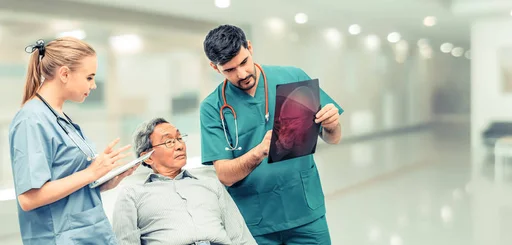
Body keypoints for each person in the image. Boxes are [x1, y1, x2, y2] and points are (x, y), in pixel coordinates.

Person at [200, 24, 344, 244]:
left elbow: (333, 138)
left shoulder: (292, 77)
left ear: (249, 47)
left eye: (243, 62)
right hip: (254, 222)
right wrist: (258, 153)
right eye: (229, 70)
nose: (242, 74)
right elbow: (225, 175)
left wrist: (332, 124)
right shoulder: (212, 107)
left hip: (305, 211)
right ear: (214, 67)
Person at [8, 37, 135, 245]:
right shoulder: (31, 120)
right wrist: (91, 172)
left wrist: (103, 179)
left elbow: (71, 183)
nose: (93, 85)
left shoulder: (59, 117)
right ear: (65, 74)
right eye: (89, 77)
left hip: (90, 233)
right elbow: (29, 198)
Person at [112, 118, 257, 245]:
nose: (180, 145)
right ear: (148, 157)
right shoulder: (132, 194)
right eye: (169, 141)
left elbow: (241, 238)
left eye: (180, 138)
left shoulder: (211, 184)